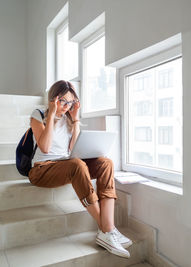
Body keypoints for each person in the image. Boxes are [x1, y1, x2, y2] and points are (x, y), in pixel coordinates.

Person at [28, 80, 132, 258]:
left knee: (106, 163)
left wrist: (75, 120)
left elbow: (74, 150)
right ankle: (108, 229)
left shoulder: (70, 118)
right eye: (62, 101)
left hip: (65, 164)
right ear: (53, 99)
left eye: (70, 102)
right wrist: (52, 115)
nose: (66, 106)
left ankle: (107, 231)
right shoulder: (38, 115)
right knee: (77, 165)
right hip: (41, 170)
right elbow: (45, 147)